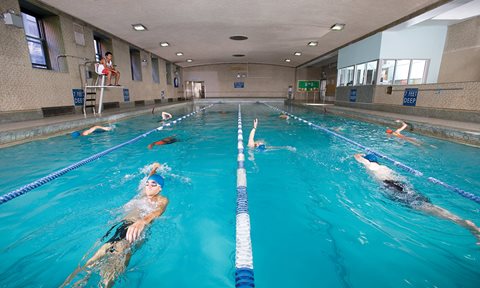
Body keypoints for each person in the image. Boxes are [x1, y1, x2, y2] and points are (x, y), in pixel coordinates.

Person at [62, 163, 168, 287]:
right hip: (122, 226)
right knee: (98, 255)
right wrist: (154, 169)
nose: (149, 186)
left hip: (136, 229)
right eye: (147, 184)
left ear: (160, 188)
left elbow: (158, 211)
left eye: (153, 184)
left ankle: (105, 284)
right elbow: (151, 178)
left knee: (118, 258)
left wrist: (142, 221)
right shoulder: (143, 194)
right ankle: (68, 284)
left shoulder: (162, 199)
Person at [354, 153, 480, 244]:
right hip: (401, 184)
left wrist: (360, 155)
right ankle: (460, 221)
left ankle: (463, 223)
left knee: (419, 207)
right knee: (424, 204)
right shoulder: (385, 168)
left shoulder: (371, 166)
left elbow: (357, 157)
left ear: (369, 161)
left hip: (391, 186)